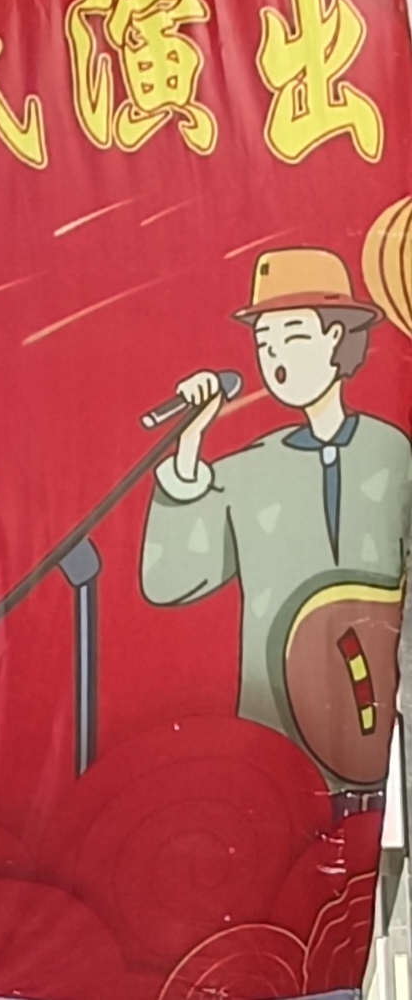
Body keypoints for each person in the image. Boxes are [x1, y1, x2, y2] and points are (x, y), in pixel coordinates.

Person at [141, 247, 411, 810]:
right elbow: (170, 581)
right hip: (278, 731)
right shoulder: (247, 470)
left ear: (336, 338)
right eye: (265, 344)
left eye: (293, 337)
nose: (276, 358)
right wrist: (189, 456)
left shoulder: (392, 449)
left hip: (376, 725)